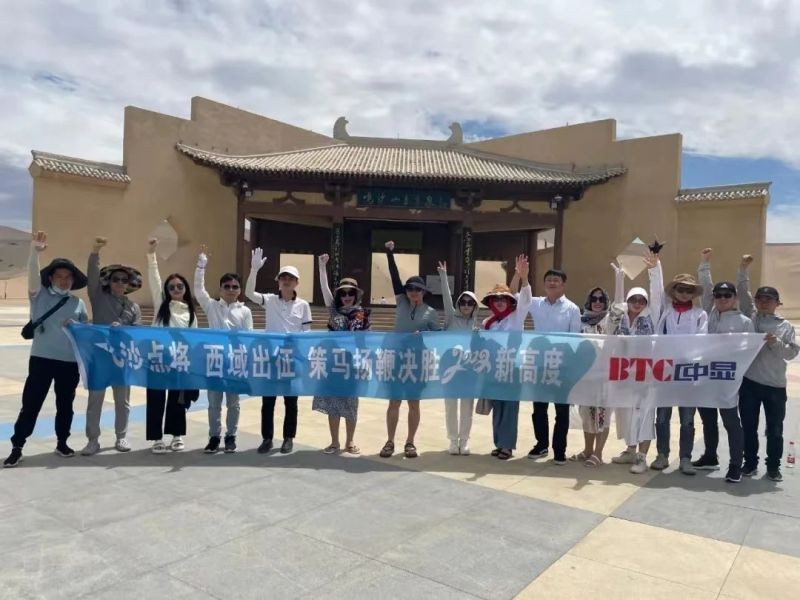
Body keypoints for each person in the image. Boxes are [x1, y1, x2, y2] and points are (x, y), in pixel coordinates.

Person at [4, 231, 89, 468]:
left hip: (69, 362)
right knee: (31, 403)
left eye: (68, 277)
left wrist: (77, 326)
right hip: (42, 359)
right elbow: (33, 278)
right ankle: (17, 447)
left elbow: (85, 332)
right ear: (50, 278)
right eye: (59, 276)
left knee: (65, 405)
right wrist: (34, 252)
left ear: (73, 280)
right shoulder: (38, 296)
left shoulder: (78, 303)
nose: (63, 280)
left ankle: (62, 442)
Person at [690, 248, 753, 483]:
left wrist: (743, 270)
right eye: (719, 296)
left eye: (727, 295)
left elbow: (749, 353)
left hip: (729, 381)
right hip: (706, 377)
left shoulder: (745, 322)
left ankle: (736, 464)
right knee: (707, 420)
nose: (722, 299)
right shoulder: (708, 314)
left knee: (731, 423)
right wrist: (704, 263)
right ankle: (710, 456)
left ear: (734, 298)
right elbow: (706, 287)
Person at [738, 254, 798, 482]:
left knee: (774, 430)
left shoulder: (785, 326)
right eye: (760, 299)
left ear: (777, 303)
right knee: (748, 427)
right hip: (750, 384)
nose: (764, 302)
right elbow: (742, 292)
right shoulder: (750, 319)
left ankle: (773, 467)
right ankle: (750, 464)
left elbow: (791, 353)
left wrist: (775, 342)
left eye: (769, 299)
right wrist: (743, 269)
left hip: (775, 386)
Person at [246, 247, 312, 454]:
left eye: (291, 278)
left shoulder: (303, 305)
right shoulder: (270, 300)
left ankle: (288, 438)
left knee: (291, 402)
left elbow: (306, 333)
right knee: (268, 401)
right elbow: (248, 294)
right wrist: (254, 270)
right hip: (271, 358)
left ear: (297, 282)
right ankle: (267, 438)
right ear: (278, 281)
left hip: (292, 359)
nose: (286, 281)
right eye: (283, 277)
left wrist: (302, 356)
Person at [81, 236, 143, 456]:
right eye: (116, 279)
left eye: (124, 280)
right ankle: (93, 440)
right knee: (95, 400)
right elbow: (92, 277)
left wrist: (124, 329)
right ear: (109, 281)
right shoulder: (99, 297)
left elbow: (138, 334)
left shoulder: (133, 307)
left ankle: (121, 436)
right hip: (99, 357)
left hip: (122, 359)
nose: (119, 283)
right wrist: (95, 252)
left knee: (122, 401)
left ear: (128, 284)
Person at [379, 240, 441, 459]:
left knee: (413, 403)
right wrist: (390, 254)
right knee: (394, 401)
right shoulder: (402, 302)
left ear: (423, 291)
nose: (413, 292)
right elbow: (394, 278)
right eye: (410, 289)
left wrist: (423, 334)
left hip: (416, 362)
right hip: (396, 359)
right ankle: (389, 441)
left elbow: (438, 336)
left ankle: (410, 442)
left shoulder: (431, 312)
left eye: (417, 289)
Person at [650, 265, 708, 475]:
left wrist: (687, 358)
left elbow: (701, 342)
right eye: (680, 289)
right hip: (665, 372)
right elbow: (655, 293)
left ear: (693, 294)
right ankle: (662, 454)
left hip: (688, 373)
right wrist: (655, 268)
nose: (684, 293)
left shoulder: (700, 314)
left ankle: (685, 458)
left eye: (689, 290)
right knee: (662, 417)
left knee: (687, 420)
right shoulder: (664, 311)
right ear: (673, 291)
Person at [194, 245, 253, 454]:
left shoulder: (245, 311)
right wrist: (201, 264)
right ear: (220, 289)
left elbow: (248, 338)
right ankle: (214, 437)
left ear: (239, 290)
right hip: (214, 360)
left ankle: (231, 436)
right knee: (213, 403)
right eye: (226, 286)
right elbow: (198, 290)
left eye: (235, 286)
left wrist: (246, 363)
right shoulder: (211, 306)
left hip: (235, 361)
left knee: (234, 403)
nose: (230, 289)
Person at [608, 255, 661, 474]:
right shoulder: (620, 316)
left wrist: (655, 270)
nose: (637, 303)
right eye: (633, 299)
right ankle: (630, 449)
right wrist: (619, 280)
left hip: (646, 374)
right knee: (626, 414)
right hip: (624, 374)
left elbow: (657, 295)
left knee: (645, 415)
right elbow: (616, 304)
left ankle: (642, 457)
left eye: (641, 300)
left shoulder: (651, 316)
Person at [312, 253, 369, 455]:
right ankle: (334, 442)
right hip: (333, 363)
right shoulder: (334, 311)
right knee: (333, 404)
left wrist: (365, 362)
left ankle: (350, 441)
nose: (346, 296)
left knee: (351, 403)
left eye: (350, 293)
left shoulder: (362, 314)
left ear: (355, 295)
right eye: (343, 293)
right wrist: (322, 267)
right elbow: (324, 290)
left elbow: (365, 342)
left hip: (352, 365)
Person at [146, 238, 198, 454]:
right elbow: (154, 279)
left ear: (185, 288)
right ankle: (156, 438)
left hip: (180, 361)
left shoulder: (191, 313)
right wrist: (151, 255)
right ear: (166, 290)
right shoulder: (161, 306)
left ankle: (176, 435)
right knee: (156, 398)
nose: (176, 289)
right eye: (172, 287)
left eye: (180, 286)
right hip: (158, 358)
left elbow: (193, 340)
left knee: (177, 399)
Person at [526, 268, 581, 465]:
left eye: (556, 280)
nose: (552, 283)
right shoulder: (536, 303)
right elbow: (517, 297)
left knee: (561, 412)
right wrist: (522, 276)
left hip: (561, 367)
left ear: (563, 284)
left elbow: (575, 341)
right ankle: (541, 444)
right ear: (544, 284)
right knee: (539, 409)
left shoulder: (572, 309)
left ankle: (559, 450)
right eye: (548, 279)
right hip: (540, 365)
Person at [483, 254, 533, 460]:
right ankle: (498, 443)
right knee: (498, 407)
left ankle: (507, 446)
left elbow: (525, 297)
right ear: (491, 302)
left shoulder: (516, 317)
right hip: (494, 369)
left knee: (510, 407)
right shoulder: (488, 323)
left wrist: (522, 276)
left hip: (513, 368)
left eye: (504, 299)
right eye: (496, 299)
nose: (500, 302)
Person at [437, 260, 480, 455]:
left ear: (475, 306)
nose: (466, 305)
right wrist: (443, 276)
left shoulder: (476, 325)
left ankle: (465, 440)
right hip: (449, 367)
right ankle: (453, 441)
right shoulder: (451, 318)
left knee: (467, 406)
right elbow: (447, 299)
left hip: (469, 369)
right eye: (463, 302)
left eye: (470, 303)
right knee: (451, 405)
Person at [572, 286, 611, 467]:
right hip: (585, 376)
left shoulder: (610, 320)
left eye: (601, 299)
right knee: (586, 414)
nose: (597, 302)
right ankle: (588, 450)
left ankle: (598, 453)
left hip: (605, 376)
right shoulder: (581, 322)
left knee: (602, 415)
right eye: (594, 299)